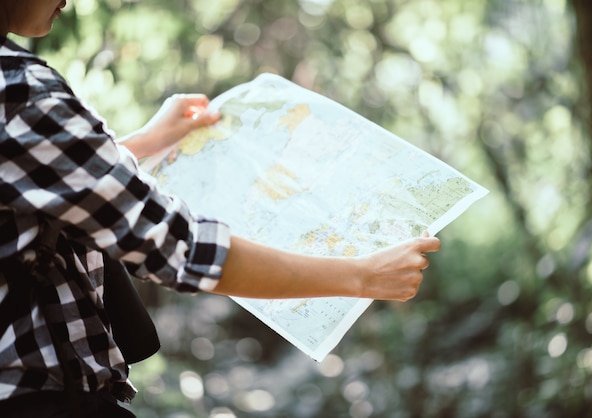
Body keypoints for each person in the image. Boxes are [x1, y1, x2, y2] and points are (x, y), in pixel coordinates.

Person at [0, 1, 441, 416]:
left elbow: (36, 189)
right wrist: (361, 275)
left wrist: (147, 140)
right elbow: (176, 245)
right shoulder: (21, 91)